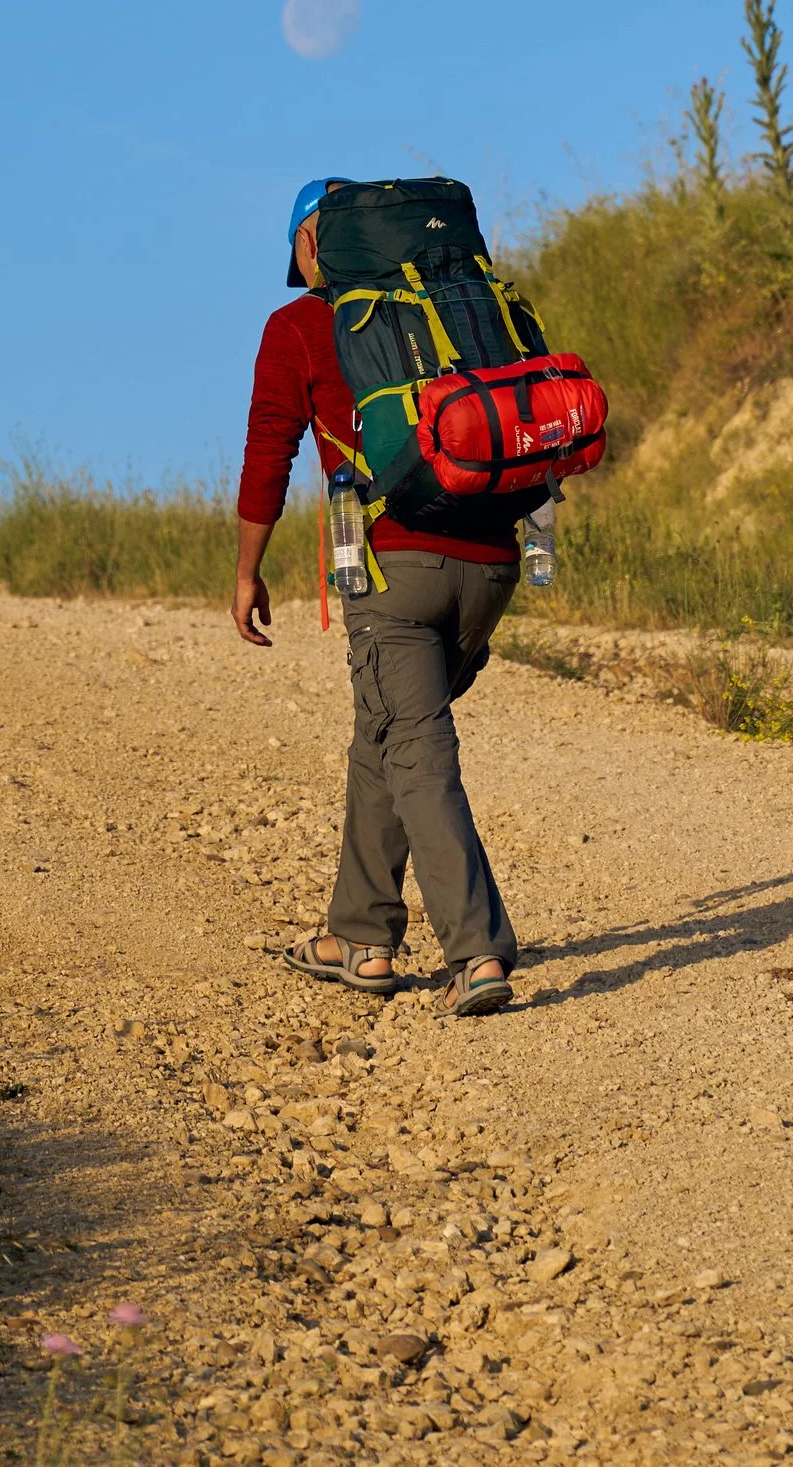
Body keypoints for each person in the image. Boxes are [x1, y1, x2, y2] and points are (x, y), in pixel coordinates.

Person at [232, 178, 519, 1018]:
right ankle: (359, 935)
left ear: (311, 244)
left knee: (417, 750)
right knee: (385, 733)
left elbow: (268, 451)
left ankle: (477, 952)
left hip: (393, 572)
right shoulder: (450, 315)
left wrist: (248, 570)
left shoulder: (298, 327)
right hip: (491, 562)